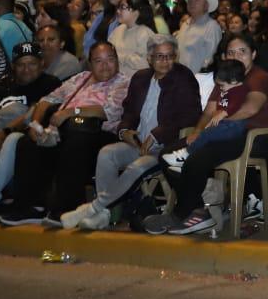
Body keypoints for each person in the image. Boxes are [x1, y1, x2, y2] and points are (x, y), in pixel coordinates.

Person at [148, 33, 268, 235]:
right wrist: (197, 131)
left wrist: (221, 124)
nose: (237, 56)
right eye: (231, 52)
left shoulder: (258, 77)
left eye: (242, 51)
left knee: (197, 157)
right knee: (166, 155)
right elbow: (209, 111)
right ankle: (197, 210)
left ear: (253, 54)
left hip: (252, 136)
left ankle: (182, 213)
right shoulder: (226, 76)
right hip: (224, 134)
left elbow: (250, 109)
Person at [60, 35, 201, 230]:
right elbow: (129, 113)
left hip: (165, 147)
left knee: (136, 167)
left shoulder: (183, 77)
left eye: (170, 56)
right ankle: (105, 215)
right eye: (159, 56)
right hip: (139, 144)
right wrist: (125, 131)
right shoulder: (141, 78)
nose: (165, 61)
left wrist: (157, 134)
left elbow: (191, 115)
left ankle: (95, 208)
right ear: (149, 58)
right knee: (107, 154)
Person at [0, 42, 131, 225]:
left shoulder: (123, 82)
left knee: (75, 142)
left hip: (98, 134)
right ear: (90, 64)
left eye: (110, 60)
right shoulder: (81, 78)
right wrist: (35, 125)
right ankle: (31, 206)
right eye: (98, 61)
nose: (105, 65)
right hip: (66, 131)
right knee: (27, 143)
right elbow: (47, 100)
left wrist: (70, 112)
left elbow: (108, 111)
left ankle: (67, 206)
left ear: (117, 61)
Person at [0, 41, 63, 224]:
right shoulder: (0, 87)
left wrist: (3, 133)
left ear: (42, 64)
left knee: (14, 134)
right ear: (13, 66)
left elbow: (34, 114)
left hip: (29, 144)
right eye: (21, 64)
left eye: (32, 63)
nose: (26, 69)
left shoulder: (50, 83)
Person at [174, 0, 223, 101]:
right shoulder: (185, 25)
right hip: (178, 81)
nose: (191, 3)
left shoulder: (211, 26)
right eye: (190, 0)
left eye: (197, 0)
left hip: (198, 84)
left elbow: (211, 58)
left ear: (206, 5)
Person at [107, 0, 158, 76]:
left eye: (122, 7)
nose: (118, 11)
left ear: (137, 11)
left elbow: (146, 63)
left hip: (137, 82)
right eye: (118, 7)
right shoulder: (118, 29)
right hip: (116, 80)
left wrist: (119, 57)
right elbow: (108, 50)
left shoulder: (145, 33)